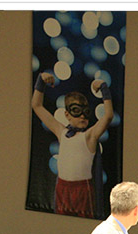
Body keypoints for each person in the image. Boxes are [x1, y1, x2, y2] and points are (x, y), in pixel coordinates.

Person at [32, 73, 113, 219]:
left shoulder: (90, 136)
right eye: (76, 110)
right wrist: (40, 82)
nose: (82, 116)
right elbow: (37, 106)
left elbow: (108, 116)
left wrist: (103, 88)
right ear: (67, 114)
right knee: (60, 224)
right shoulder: (61, 132)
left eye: (85, 112)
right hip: (62, 188)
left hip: (83, 189)